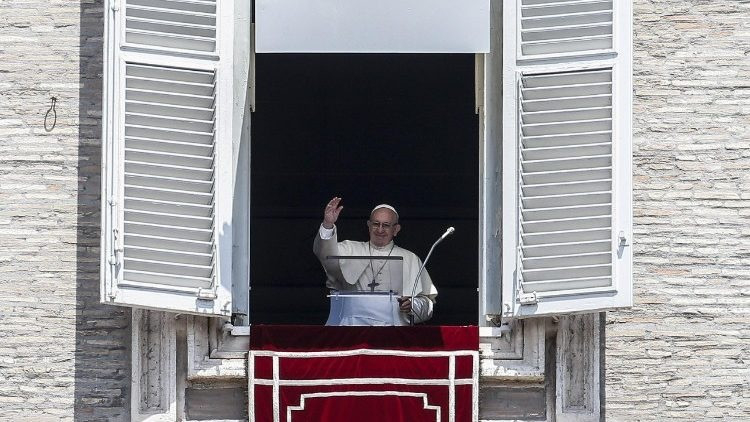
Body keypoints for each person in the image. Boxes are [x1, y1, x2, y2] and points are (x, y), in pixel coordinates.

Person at [313, 196, 437, 326]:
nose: (380, 230)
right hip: (352, 328)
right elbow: (325, 254)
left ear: (396, 229)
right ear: (369, 226)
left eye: (386, 225)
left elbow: (427, 304)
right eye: (376, 224)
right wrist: (328, 224)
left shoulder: (410, 258)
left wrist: (413, 305)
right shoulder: (350, 249)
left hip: (393, 330)